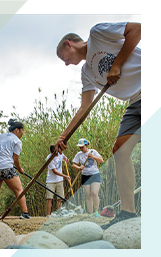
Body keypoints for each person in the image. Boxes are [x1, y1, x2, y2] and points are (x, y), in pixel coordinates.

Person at [55, 22, 161, 229]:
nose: (66, 63)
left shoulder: (97, 34)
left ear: (69, 44)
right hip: (136, 100)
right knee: (119, 150)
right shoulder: (86, 73)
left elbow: (136, 31)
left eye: (63, 57)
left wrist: (117, 64)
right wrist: (63, 136)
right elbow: (85, 107)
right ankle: (128, 213)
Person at [0, 119, 31, 220]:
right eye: (22, 131)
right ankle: (25, 213)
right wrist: (20, 169)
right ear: (17, 130)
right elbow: (15, 160)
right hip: (6, 167)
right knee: (19, 190)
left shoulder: (1, 136)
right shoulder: (17, 141)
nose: (22, 134)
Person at [72, 138, 104, 217]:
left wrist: (92, 156)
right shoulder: (79, 154)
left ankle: (96, 212)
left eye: (82, 147)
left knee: (94, 193)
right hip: (85, 176)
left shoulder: (93, 151)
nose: (81, 148)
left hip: (95, 175)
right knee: (88, 195)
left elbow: (101, 160)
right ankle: (90, 213)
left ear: (86, 145)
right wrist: (79, 167)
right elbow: (74, 164)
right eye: (80, 147)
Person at [46, 145, 70, 217]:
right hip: (51, 181)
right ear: (52, 152)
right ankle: (48, 215)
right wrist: (65, 176)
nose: (57, 155)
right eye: (55, 153)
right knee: (49, 198)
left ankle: (58, 214)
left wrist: (66, 159)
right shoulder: (49, 158)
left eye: (57, 153)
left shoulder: (60, 154)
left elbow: (67, 160)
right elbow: (54, 171)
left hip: (59, 180)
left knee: (60, 198)